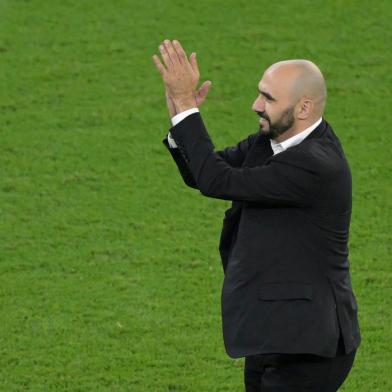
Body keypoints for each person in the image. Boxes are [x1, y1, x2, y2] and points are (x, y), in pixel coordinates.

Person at [152, 39, 361, 391]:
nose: (256, 105)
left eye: (268, 98)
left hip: (310, 345)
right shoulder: (272, 140)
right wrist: (179, 112)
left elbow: (217, 179)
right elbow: (202, 173)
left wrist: (189, 107)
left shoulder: (315, 166)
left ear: (304, 107)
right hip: (274, 330)